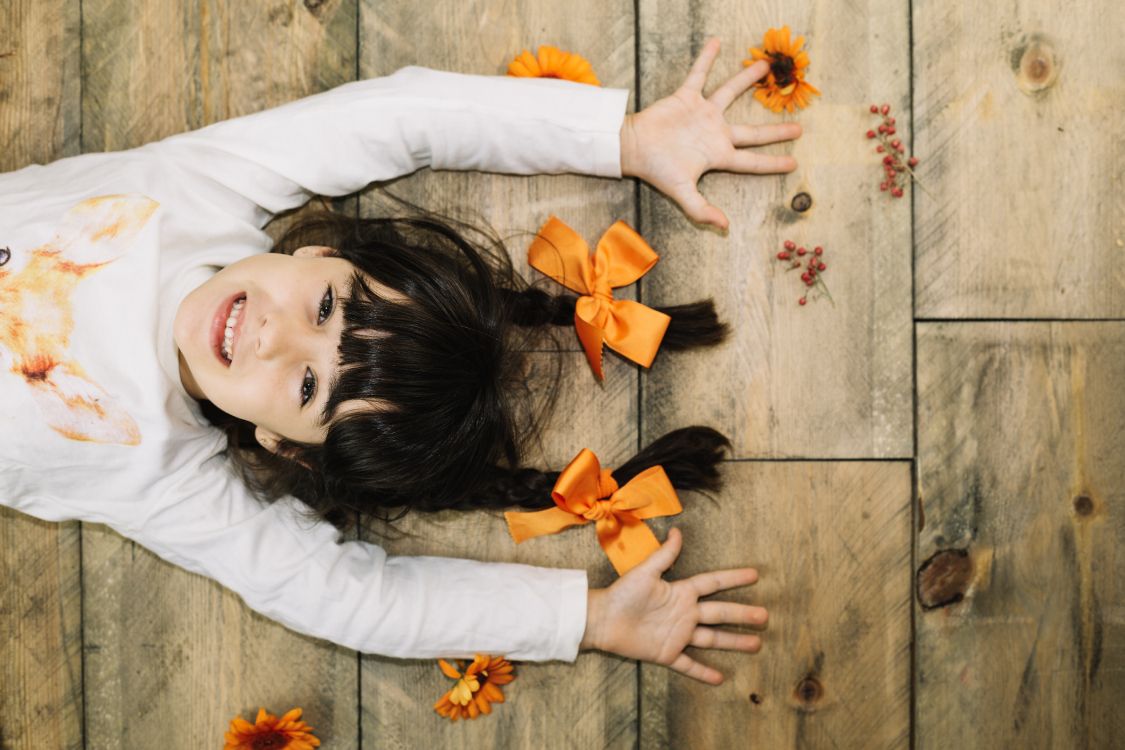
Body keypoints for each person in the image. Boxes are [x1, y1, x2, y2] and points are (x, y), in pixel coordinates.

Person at [0, 39, 799, 685]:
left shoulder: (169, 481)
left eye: (308, 386)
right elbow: (402, 115)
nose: (275, 337)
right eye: (325, 308)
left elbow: (359, 602)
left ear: (282, 445)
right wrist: (619, 139)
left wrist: (583, 619)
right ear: (321, 250)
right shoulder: (203, 196)